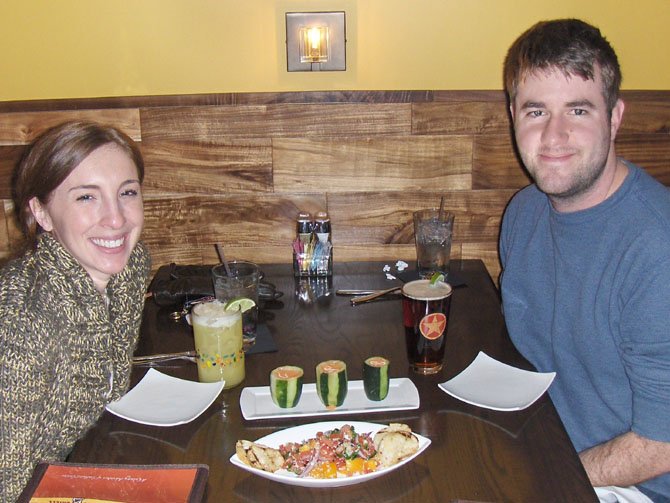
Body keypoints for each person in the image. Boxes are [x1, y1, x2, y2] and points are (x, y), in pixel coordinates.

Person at [500, 19, 670, 502]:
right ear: (513, 114)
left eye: (578, 109)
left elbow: (662, 445)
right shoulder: (525, 212)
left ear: (615, 117)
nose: (554, 135)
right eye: (536, 111)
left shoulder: (657, 250)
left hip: (635, 487)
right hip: (547, 448)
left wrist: (543, 472)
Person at [0, 121, 151, 501]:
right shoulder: (23, 322)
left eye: (127, 192)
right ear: (43, 213)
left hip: (71, 469)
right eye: (87, 197)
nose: (116, 219)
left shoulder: (129, 269)